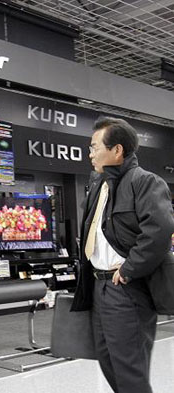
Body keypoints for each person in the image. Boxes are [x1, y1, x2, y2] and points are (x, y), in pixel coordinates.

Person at [71, 117, 174, 393]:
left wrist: (128, 270)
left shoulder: (145, 182)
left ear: (117, 150)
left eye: (94, 147)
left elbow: (159, 233)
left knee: (130, 368)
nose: (90, 153)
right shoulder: (98, 185)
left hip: (126, 288)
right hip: (98, 286)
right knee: (108, 361)